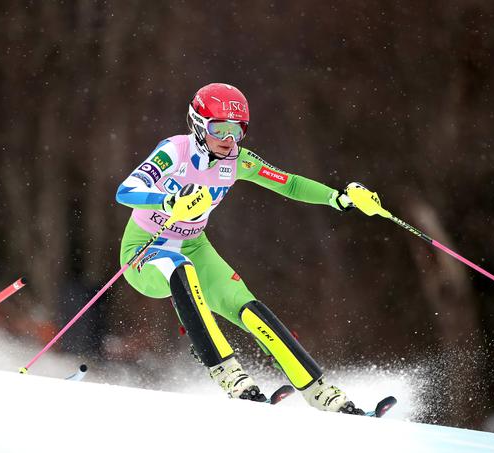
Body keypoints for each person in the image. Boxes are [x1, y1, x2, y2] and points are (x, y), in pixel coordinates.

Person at [115, 82, 367, 415]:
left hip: (194, 246)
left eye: (237, 130)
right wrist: (168, 199)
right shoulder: (174, 151)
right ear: (199, 124)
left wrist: (339, 198)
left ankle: (321, 393)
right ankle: (230, 375)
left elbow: (288, 182)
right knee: (179, 268)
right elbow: (126, 190)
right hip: (144, 251)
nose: (228, 138)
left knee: (247, 307)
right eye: (219, 128)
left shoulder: (237, 161)